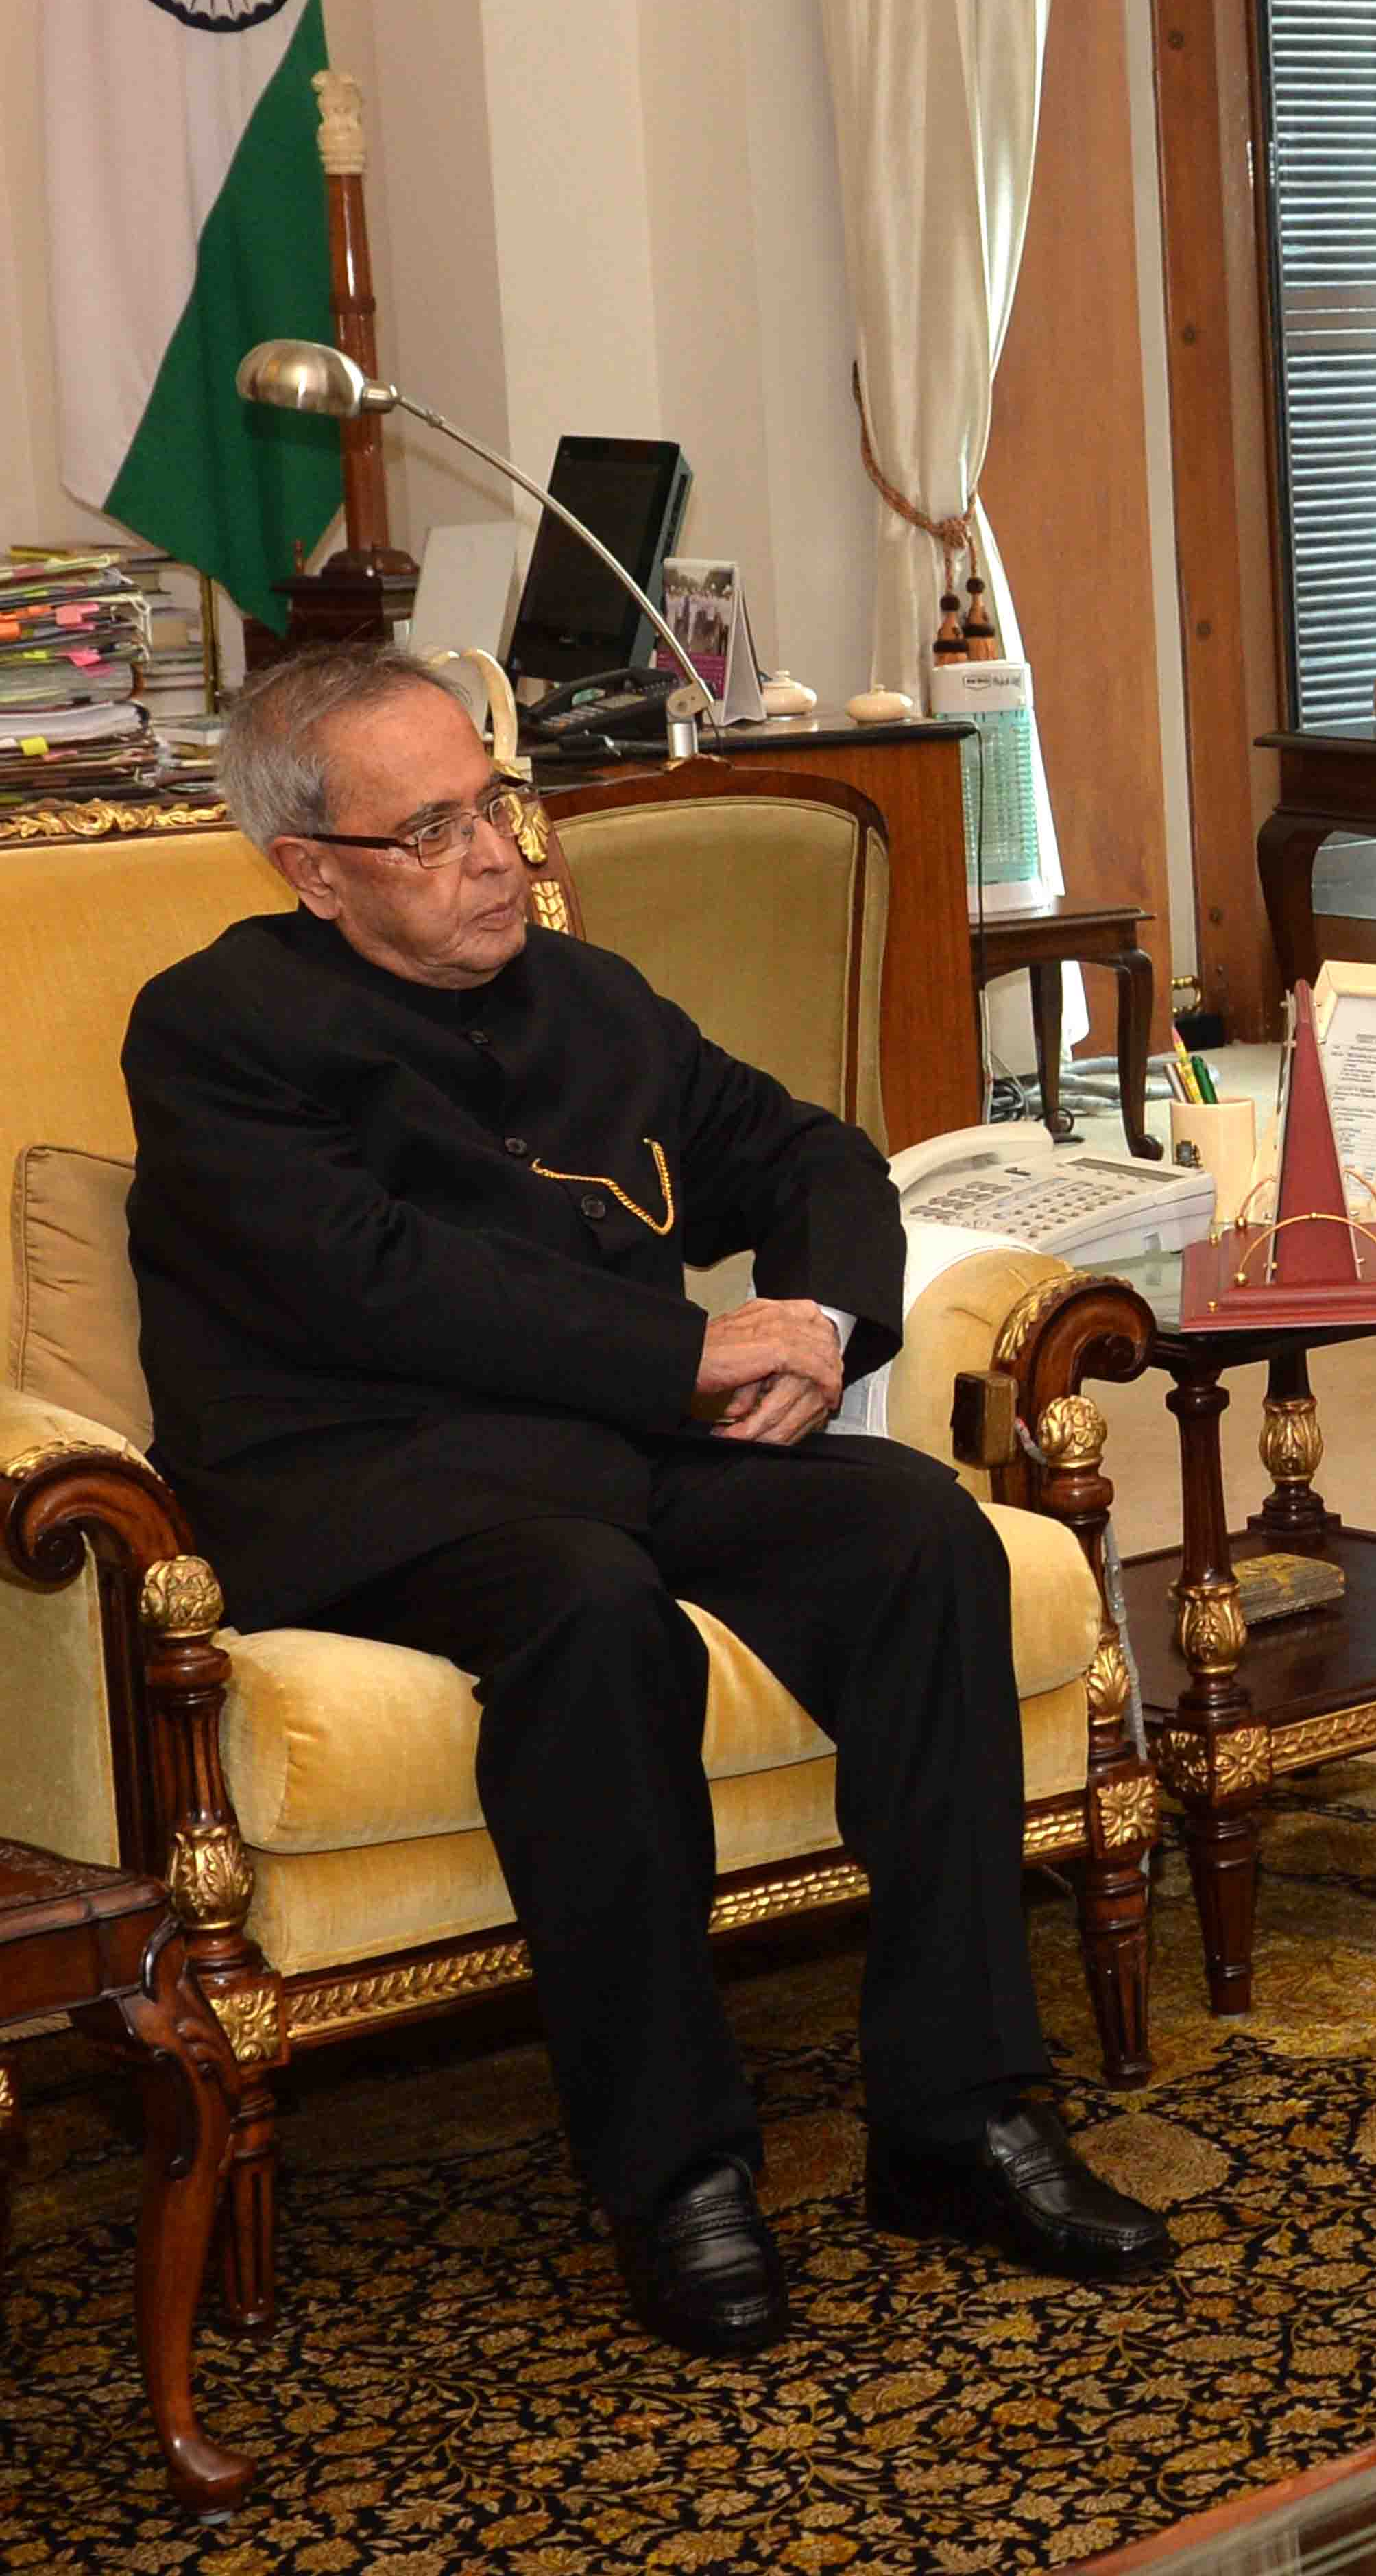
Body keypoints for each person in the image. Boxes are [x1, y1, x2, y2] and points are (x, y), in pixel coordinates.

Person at [125, 643, 1173, 2358]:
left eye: (498, 803)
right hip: (378, 1479)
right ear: (313, 870)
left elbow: (807, 1151)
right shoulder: (220, 1028)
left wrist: (823, 1326)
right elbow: (371, 1281)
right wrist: (682, 1351)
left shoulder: (585, 995)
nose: (493, 856)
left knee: (912, 1527)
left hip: (616, 1445)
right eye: (436, 827)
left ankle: (962, 2115)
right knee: (591, 1607)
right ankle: (676, 2172)